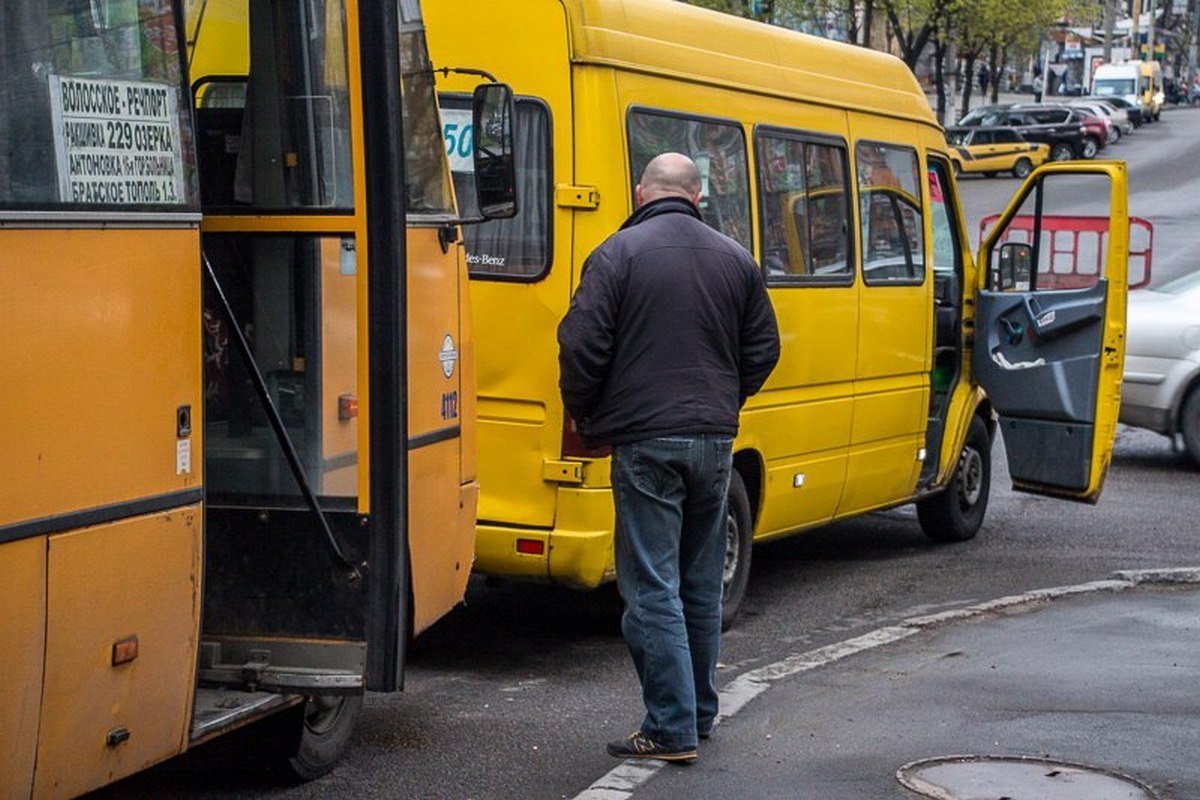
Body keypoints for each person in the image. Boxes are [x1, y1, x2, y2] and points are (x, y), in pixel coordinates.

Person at [558, 153, 780, 764]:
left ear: (640, 192)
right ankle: (699, 714)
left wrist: (589, 415)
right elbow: (765, 347)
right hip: (714, 441)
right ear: (698, 196)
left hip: (646, 442)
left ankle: (671, 728)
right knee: (700, 583)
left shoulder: (616, 254)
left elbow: (580, 346)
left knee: (652, 587)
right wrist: (724, 398)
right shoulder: (736, 259)